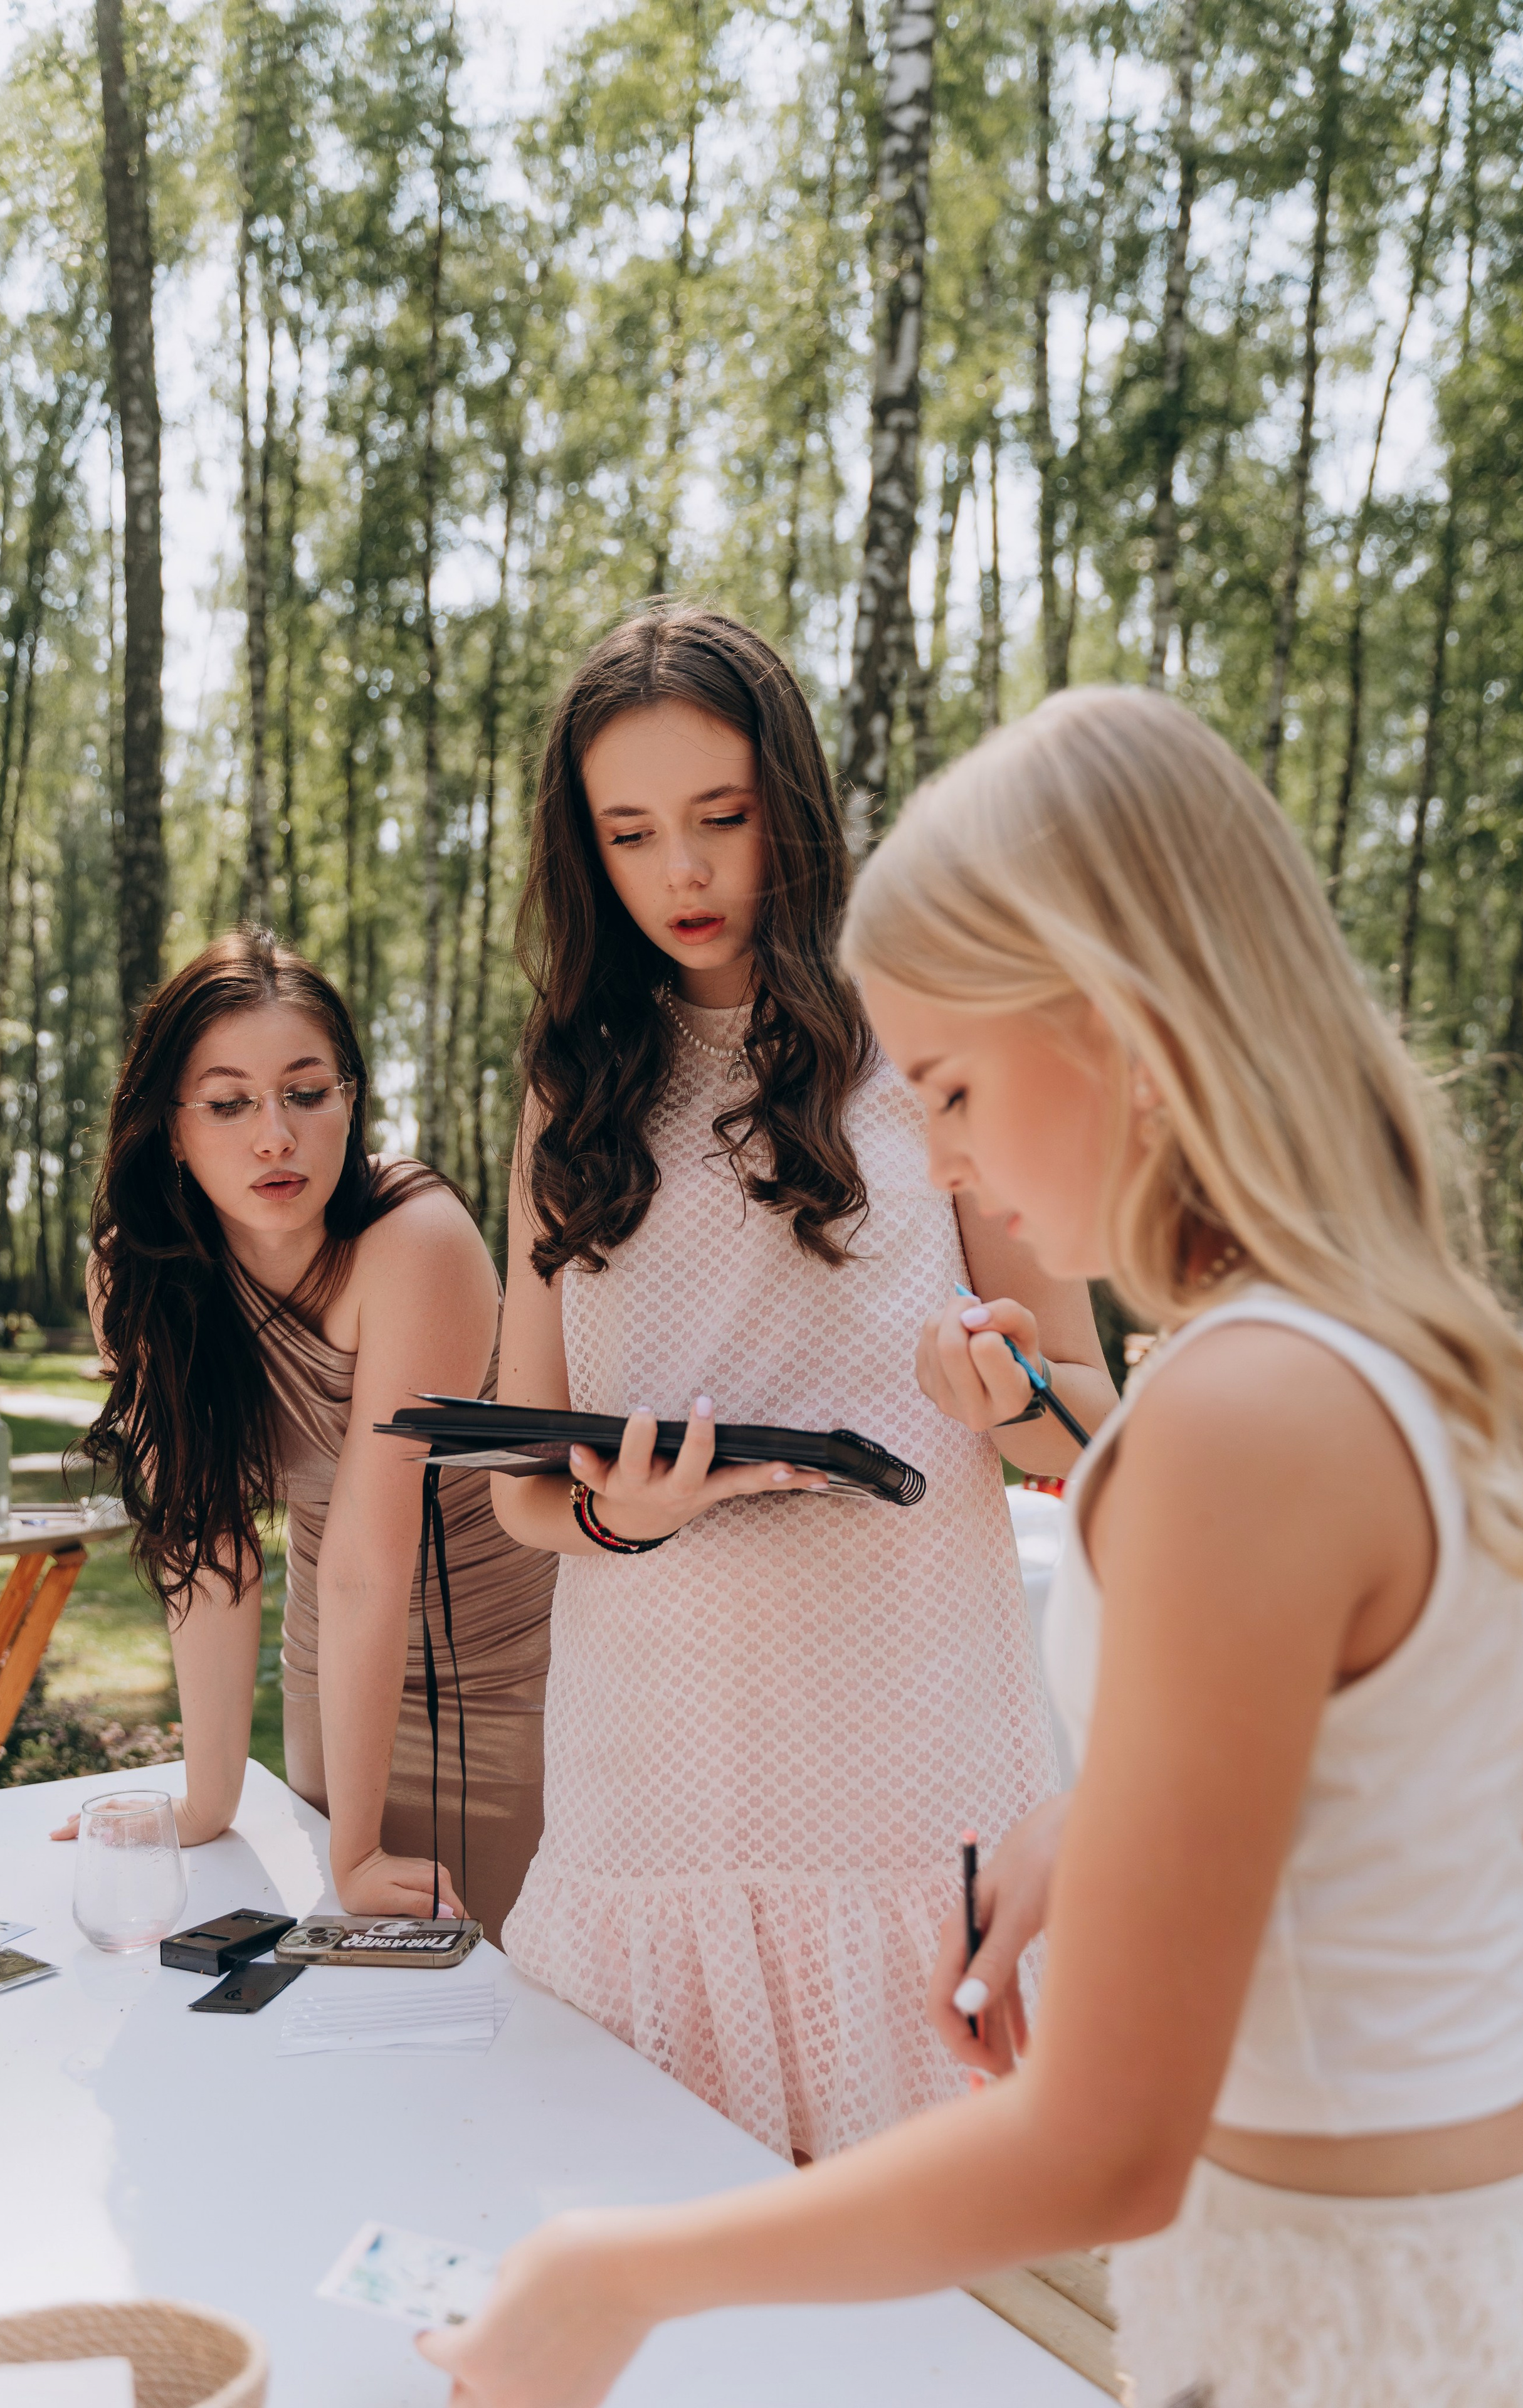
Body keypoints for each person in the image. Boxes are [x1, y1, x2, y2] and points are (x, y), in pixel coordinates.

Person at [420, 685, 1523, 2408]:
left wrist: (619, 2272)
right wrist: (1094, 1822)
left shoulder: (1242, 1418)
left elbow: (1106, 2149)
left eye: (958, 1083)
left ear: (1124, 1020)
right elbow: (1495, 1860)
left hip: (1355, 2325)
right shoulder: (1347, 1355)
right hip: (1428, 2285)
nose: (941, 1149)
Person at [488, 604, 1115, 2162]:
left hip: (909, 1759)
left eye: (722, 816)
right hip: (654, 1778)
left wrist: (1011, 1402)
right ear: (588, 853)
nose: (682, 874)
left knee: (932, 2312)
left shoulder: (933, 1031)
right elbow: (518, 1491)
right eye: (630, 834)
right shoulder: (567, 1091)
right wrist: (618, 1519)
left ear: (796, 805)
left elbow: (1102, 1424)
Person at [61, 929, 556, 1946]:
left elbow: (373, 1565)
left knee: (505, 1996)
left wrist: (360, 1852)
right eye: (230, 1102)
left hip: (514, 1670)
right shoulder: (136, 1273)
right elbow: (210, 1545)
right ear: (171, 1127)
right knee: (347, 1997)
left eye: (306, 1092)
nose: (274, 1136)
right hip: (335, 1672)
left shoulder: (413, 1241)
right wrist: (206, 1799)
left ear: (351, 1100)